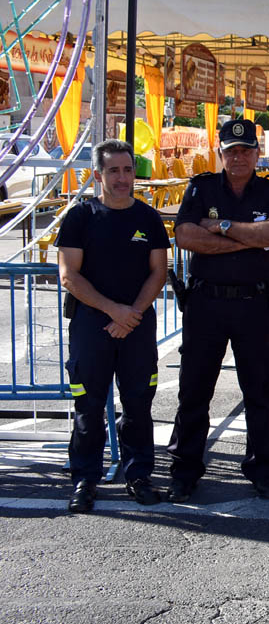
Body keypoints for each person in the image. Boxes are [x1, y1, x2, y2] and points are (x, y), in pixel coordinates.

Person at [165, 119, 269, 502]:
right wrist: (249, 240)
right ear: (220, 153)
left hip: (255, 304)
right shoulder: (201, 187)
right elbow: (185, 236)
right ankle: (185, 470)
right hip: (206, 303)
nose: (238, 157)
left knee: (258, 391)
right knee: (194, 391)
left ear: (257, 153)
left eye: (246, 151)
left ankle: (262, 469)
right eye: (231, 151)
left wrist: (219, 227)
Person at [57, 139, 170, 512]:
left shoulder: (148, 219)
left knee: (138, 405)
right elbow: (69, 275)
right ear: (98, 174)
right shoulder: (80, 217)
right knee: (88, 407)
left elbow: (158, 272)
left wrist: (132, 313)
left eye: (127, 170)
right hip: (93, 326)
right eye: (113, 171)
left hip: (137, 324)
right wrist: (113, 311)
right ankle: (85, 480)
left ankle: (138, 476)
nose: (123, 178)